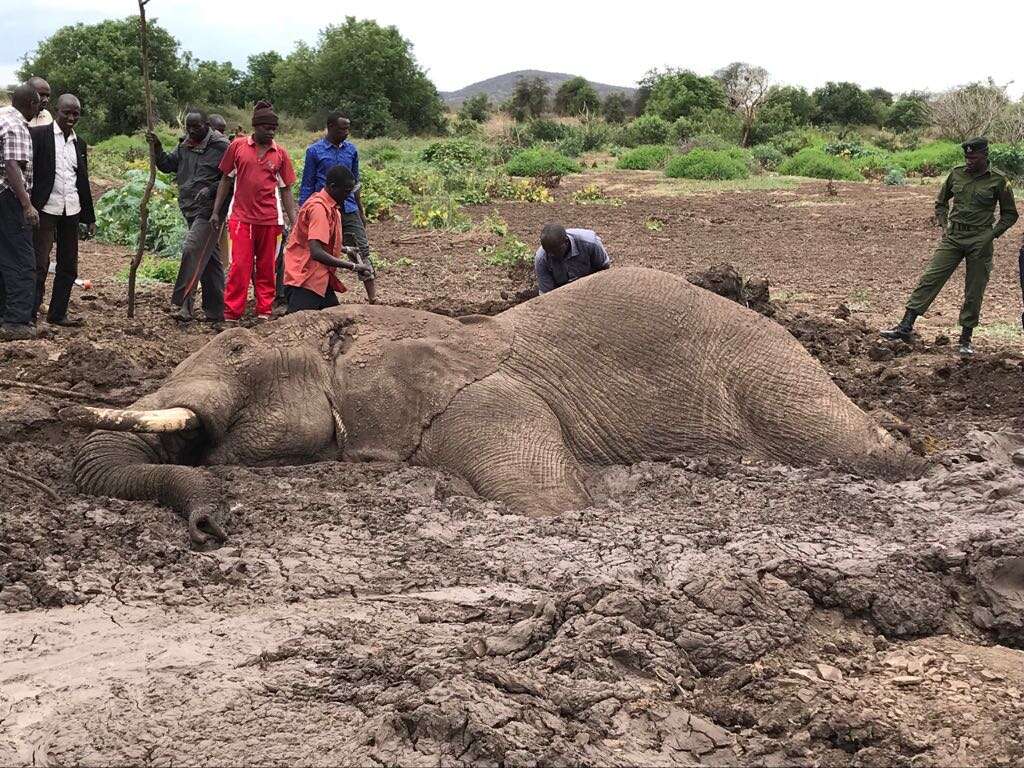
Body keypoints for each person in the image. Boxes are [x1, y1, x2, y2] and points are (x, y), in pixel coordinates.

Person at [881, 137, 1018, 356]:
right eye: (967, 157)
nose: (969, 161)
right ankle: (905, 326)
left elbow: (1010, 214)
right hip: (953, 237)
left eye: (973, 157)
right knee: (930, 279)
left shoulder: (999, 181)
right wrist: (944, 226)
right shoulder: (956, 174)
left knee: (974, 290)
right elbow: (941, 203)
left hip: (980, 240)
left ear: (985, 156)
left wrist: (991, 235)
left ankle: (965, 339)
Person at [210, 100, 297, 323]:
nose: (271, 132)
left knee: (267, 268)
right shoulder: (237, 147)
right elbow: (225, 180)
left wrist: (294, 221)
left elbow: (286, 190)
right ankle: (231, 314)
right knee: (239, 266)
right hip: (240, 218)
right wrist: (216, 211)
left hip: (270, 220)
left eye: (274, 129)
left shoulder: (281, 154)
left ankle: (264, 312)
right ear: (256, 127)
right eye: (267, 128)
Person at [147, 109, 229, 322]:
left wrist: (210, 190)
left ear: (207, 126)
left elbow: (229, 178)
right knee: (209, 259)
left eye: (197, 127)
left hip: (211, 212)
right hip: (189, 208)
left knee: (192, 249)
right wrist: (156, 147)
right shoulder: (184, 146)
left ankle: (184, 304)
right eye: (189, 127)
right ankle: (216, 311)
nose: (192, 131)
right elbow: (167, 165)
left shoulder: (221, 147)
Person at [29, 94, 95, 326]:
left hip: (71, 210)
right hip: (46, 208)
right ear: (57, 110)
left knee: (68, 265)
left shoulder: (80, 143)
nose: (71, 117)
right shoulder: (39, 136)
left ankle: (57, 314)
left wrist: (89, 217)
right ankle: (30, 313)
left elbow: (83, 180)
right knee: (39, 262)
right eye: (67, 112)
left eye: (75, 113)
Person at [298, 112, 374, 301]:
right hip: (323, 209)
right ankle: (315, 293)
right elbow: (308, 183)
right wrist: (303, 212)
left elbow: (355, 183)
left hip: (348, 208)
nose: (346, 133)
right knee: (319, 250)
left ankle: (373, 297)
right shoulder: (314, 151)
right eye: (342, 129)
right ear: (330, 127)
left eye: (348, 129)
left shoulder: (352, 151)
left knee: (361, 250)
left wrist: (360, 211)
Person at [284, 165, 372, 313]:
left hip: (318, 277)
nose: (348, 196)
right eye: (346, 191)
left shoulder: (332, 208)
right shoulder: (319, 209)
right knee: (298, 326)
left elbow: (318, 240)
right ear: (332, 187)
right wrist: (354, 266)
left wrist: (345, 249)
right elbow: (316, 252)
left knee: (335, 322)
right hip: (305, 278)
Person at [0, 84, 42, 341]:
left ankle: (5, 314)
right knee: (23, 261)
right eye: (39, 104)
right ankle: (16, 321)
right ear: (31, 104)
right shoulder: (16, 126)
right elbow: (12, 165)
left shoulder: (2, 116)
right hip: (9, 198)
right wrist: (27, 205)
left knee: (4, 257)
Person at [534, 223, 611, 294]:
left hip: (592, 286)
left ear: (566, 242)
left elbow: (604, 269)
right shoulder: (542, 258)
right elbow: (546, 293)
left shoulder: (590, 243)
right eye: (547, 251)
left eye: (554, 251)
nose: (550, 254)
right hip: (561, 294)